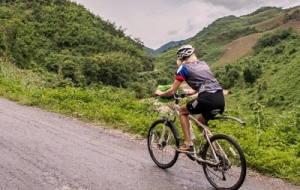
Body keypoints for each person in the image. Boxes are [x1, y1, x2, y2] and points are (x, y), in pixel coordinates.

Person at [155, 44, 225, 153]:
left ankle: (188, 144)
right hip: (220, 98)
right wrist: (192, 91)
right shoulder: (203, 64)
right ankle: (216, 152)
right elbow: (206, 81)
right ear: (193, 55)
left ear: (180, 59)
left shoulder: (183, 68)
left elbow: (172, 91)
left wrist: (160, 93)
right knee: (200, 122)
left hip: (207, 98)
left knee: (183, 111)